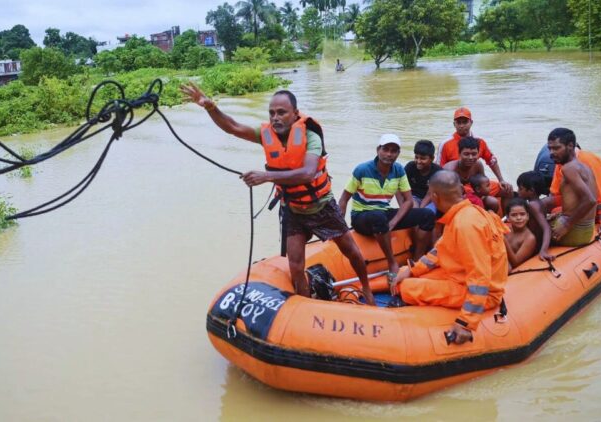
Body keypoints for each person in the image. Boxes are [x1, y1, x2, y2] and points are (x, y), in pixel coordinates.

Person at [180, 83, 375, 305]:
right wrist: (210, 107)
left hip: (321, 205)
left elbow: (308, 173)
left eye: (281, 112)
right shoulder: (266, 135)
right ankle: (304, 304)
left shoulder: (311, 136)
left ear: (294, 114)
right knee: (295, 265)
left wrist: (266, 176)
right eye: (271, 113)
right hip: (293, 209)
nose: (275, 118)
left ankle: (367, 288)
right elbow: (233, 127)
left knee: (351, 251)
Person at [389, 170, 509, 345]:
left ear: (435, 197)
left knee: (407, 287)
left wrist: (466, 323)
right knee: (402, 274)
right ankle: (362, 286)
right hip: (458, 275)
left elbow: (480, 277)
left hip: (482, 291)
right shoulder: (464, 214)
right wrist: (412, 270)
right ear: (461, 189)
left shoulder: (466, 224)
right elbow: (438, 252)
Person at [338, 134, 436, 279]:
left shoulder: (399, 170)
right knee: (378, 216)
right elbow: (344, 199)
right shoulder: (362, 169)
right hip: (361, 216)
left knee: (427, 215)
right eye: (386, 149)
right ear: (378, 150)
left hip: (383, 214)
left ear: (398, 154)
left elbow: (408, 200)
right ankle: (392, 262)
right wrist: (340, 229)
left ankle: (417, 258)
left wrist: (393, 222)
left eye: (393, 151)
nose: (389, 154)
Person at [548, 144, 601, 234]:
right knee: (554, 211)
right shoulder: (561, 163)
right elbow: (555, 192)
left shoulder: (588, 161)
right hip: (583, 201)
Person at [540, 128, 598, 247]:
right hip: (586, 231)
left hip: (575, 233)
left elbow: (590, 200)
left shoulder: (568, 169)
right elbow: (577, 200)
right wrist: (561, 214)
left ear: (570, 146)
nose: (551, 153)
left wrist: (566, 224)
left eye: (556, 148)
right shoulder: (585, 167)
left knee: (531, 217)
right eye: (549, 148)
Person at [436, 107, 509, 193]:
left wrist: (501, 180)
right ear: (454, 124)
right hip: (456, 186)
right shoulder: (445, 144)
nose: (462, 125)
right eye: (458, 122)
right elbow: (439, 169)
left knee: (507, 190)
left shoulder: (480, 142)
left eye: (465, 122)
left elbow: (492, 160)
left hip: (477, 185)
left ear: (471, 123)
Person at [516, 171, 554, 261]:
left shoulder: (532, 205)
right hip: (536, 242)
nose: (518, 191)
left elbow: (546, 228)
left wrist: (543, 251)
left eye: (520, 189)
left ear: (531, 191)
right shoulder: (540, 202)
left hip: (533, 245)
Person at [404, 140, 442, 212]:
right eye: (416, 157)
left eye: (423, 158)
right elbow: (402, 187)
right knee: (413, 209)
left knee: (428, 212)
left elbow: (429, 194)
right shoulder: (410, 167)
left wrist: (420, 212)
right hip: (414, 197)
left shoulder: (438, 172)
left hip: (431, 199)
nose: (418, 161)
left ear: (432, 159)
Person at [504, 197, 537, 269]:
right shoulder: (506, 229)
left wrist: (504, 240)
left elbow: (516, 262)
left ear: (527, 216)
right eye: (514, 215)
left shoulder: (529, 238)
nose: (519, 218)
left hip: (513, 268)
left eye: (522, 214)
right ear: (508, 218)